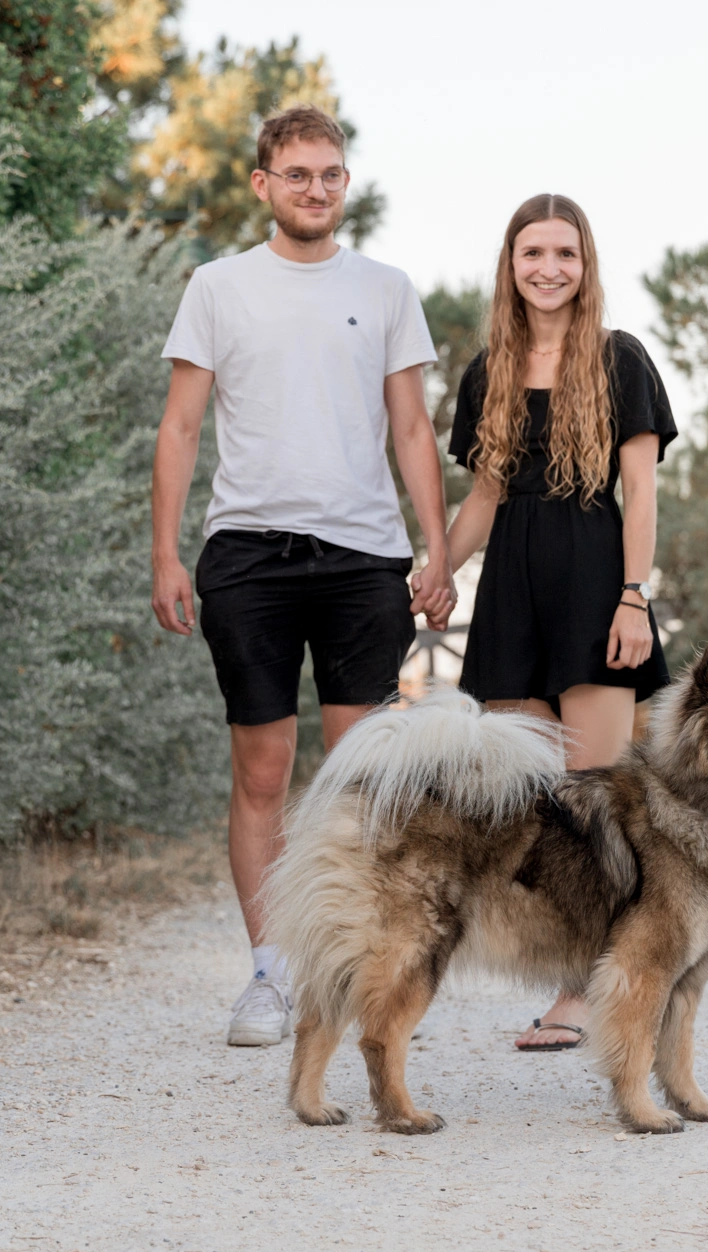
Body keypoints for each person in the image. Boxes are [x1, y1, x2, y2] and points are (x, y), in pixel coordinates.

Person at [151, 105, 456, 1048]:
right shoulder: (217, 286)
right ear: (264, 184)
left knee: (359, 776)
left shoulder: (387, 289)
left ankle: (353, 971)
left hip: (363, 556)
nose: (315, 188)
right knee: (263, 770)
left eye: (329, 174)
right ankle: (270, 975)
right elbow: (181, 426)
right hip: (247, 555)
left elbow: (412, 428)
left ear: (345, 183)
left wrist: (439, 549)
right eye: (297, 174)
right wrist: (165, 552)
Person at [442, 193, 677, 1051]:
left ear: (586, 265)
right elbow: (484, 497)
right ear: (511, 265)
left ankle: (591, 992)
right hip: (510, 590)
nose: (549, 268)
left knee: (597, 802)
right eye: (533, 253)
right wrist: (434, 569)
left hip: (593, 584)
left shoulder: (620, 358)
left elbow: (641, 491)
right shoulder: (487, 371)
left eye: (565, 254)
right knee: (533, 806)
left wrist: (634, 597)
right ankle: (572, 971)